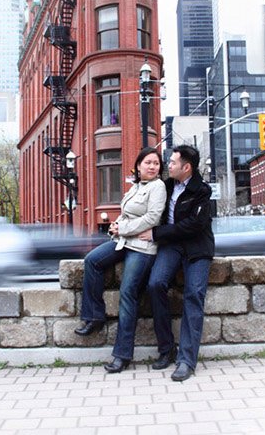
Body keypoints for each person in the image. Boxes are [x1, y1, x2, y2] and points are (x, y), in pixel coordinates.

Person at [74, 147, 167, 373]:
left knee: (127, 293)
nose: (153, 166)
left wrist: (123, 228)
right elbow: (127, 214)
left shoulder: (158, 187)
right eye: (148, 163)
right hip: (124, 241)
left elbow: (153, 218)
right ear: (138, 166)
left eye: (156, 163)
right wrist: (116, 226)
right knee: (92, 261)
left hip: (143, 247)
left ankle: (122, 354)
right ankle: (95, 316)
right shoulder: (136, 187)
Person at [147, 143, 214, 382]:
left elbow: (194, 226)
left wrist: (157, 233)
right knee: (155, 284)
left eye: (173, 162)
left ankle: (186, 360)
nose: (169, 165)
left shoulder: (202, 191)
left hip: (197, 248)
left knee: (194, 295)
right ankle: (167, 349)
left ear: (186, 167)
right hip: (172, 246)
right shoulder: (165, 186)